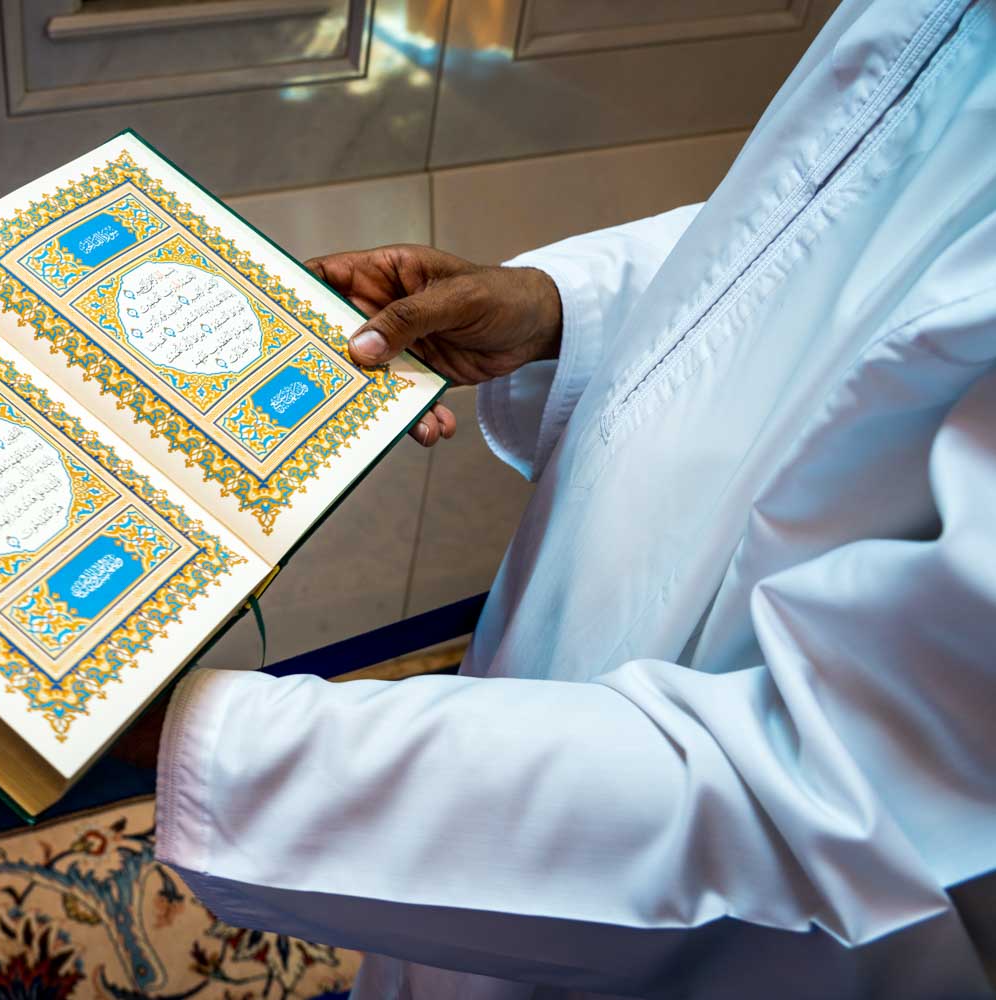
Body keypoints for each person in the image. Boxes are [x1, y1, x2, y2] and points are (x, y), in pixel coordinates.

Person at [125, 0, 996, 995]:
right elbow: (822, 227)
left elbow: (824, 791)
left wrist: (202, 740)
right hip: (577, 665)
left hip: (732, 928)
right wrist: (560, 309)